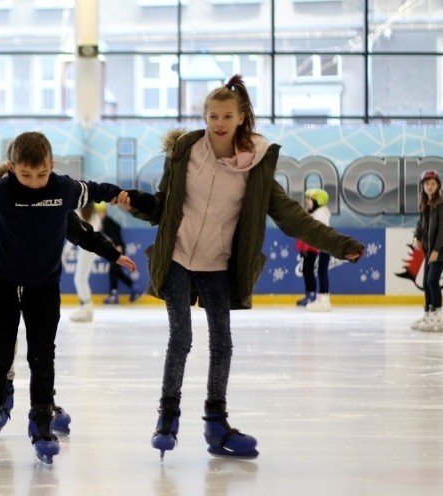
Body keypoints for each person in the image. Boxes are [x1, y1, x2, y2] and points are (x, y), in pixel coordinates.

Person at [116, 75, 364, 461]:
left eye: (226, 115)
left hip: (219, 264)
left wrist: (341, 245)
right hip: (178, 257)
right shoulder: (185, 151)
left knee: (222, 343)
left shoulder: (257, 165)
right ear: (204, 116)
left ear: (241, 117)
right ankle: (167, 418)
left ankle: (216, 424)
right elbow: (165, 205)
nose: (218, 122)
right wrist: (137, 204)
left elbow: (293, 218)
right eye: (212, 115)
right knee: (180, 339)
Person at [0, 131, 132, 465]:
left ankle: (41, 422)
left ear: (51, 166)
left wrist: (111, 251)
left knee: (43, 356)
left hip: (43, 287)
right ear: (12, 168)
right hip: (1, 285)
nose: (33, 182)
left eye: (41, 174)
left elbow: (87, 217)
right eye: (26, 175)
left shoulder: (61, 192)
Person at [411, 170, 443, 331]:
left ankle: (437, 312)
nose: (430, 187)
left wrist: (437, 249)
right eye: (426, 184)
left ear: (438, 186)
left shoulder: (441, 204)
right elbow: (420, 224)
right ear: (422, 186)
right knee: (425, 282)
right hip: (429, 250)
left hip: (440, 251)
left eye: (433, 184)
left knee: (432, 281)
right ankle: (429, 312)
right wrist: (416, 237)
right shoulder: (425, 204)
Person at [295, 188, 333, 311]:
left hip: (325, 245)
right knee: (321, 272)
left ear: (318, 201)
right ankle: (323, 299)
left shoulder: (320, 213)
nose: (307, 202)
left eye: (309, 199)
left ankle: (323, 299)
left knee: (321, 272)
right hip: (324, 245)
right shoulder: (317, 212)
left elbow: (313, 231)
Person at [70, 201, 106, 322]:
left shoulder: (80, 213)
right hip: (91, 249)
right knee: (81, 279)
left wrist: (66, 250)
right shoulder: (94, 215)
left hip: (87, 249)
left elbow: (73, 232)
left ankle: (87, 307)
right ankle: (86, 306)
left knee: (80, 279)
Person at [100, 205, 142, 305]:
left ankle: (114, 295)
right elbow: (117, 228)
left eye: (100, 213)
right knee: (116, 271)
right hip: (118, 247)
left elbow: (113, 233)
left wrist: (117, 245)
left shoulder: (106, 221)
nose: (98, 215)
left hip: (117, 248)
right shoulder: (107, 221)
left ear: (104, 212)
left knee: (113, 270)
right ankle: (134, 288)